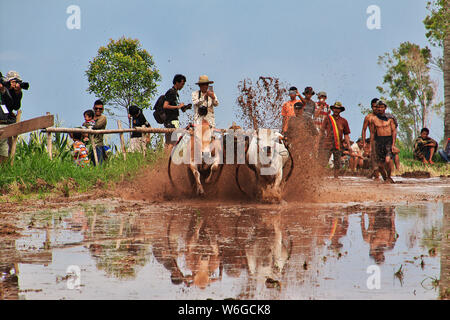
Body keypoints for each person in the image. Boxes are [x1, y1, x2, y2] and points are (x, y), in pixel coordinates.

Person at [317, 101, 351, 178]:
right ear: (332, 109)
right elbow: (322, 131)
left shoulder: (344, 121)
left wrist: (349, 146)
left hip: (338, 144)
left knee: (337, 163)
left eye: (338, 109)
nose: (336, 110)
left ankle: (336, 178)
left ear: (340, 110)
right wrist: (318, 142)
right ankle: (319, 178)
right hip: (328, 143)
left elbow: (346, 134)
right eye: (335, 108)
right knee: (323, 162)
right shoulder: (328, 118)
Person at [0, 71, 26, 161]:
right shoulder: (3, 90)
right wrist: (4, 90)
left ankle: (6, 168)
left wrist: (17, 93)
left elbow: (15, 106)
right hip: (2, 122)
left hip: (8, 122)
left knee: (8, 149)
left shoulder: (13, 92)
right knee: (3, 148)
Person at [370, 100, 397, 183]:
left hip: (388, 141)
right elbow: (372, 133)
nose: (380, 109)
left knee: (388, 160)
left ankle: (389, 176)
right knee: (380, 165)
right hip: (379, 141)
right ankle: (386, 178)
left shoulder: (390, 119)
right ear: (376, 108)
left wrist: (393, 144)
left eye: (382, 107)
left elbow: (394, 131)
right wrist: (372, 146)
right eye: (378, 107)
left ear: (385, 108)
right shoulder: (373, 119)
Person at [163, 74, 187, 149]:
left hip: (171, 120)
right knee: (173, 142)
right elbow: (165, 105)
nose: (182, 86)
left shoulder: (175, 93)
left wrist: (183, 107)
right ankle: (167, 158)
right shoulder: (171, 92)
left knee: (168, 141)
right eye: (182, 84)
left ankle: (165, 158)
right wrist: (178, 106)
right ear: (177, 82)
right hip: (171, 120)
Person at [91, 99, 107, 165]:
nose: (98, 110)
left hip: (98, 144)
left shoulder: (103, 118)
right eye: (96, 108)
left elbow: (96, 126)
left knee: (99, 164)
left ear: (102, 110)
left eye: (100, 109)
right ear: (93, 108)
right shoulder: (90, 116)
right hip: (89, 144)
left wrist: (88, 124)